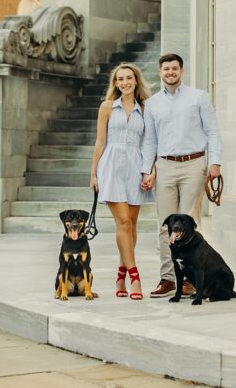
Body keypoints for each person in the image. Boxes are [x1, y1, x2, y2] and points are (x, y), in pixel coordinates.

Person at [140, 53, 222, 298]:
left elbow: (213, 132)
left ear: (181, 71)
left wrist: (215, 163)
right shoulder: (153, 104)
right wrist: (147, 169)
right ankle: (168, 278)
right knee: (165, 224)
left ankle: (189, 280)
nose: (170, 72)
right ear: (160, 72)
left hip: (193, 164)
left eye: (174, 68)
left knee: (189, 222)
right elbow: (150, 141)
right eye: (166, 69)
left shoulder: (198, 97)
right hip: (164, 166)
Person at [89, 63, 154, 300]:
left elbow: (150, 143)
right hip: (111, 166)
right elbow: (100, 141)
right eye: (120, 79)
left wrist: (149, 171)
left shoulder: (146, 109)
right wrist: (93, 173)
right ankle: (135, 277)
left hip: (135, 167)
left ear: (136, 81)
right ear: (115, 84)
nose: (124, 82)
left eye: (129, 78)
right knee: (124, 222)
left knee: (133, 224)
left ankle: (120, 273)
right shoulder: (107, 107)